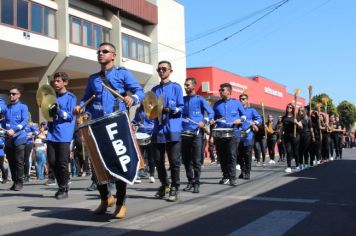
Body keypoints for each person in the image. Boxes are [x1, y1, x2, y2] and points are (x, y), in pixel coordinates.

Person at [73, 42, 144, 218]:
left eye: (105, 51)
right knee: (98, 165)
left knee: (120, 163)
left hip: (116, 122)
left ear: (113, 55)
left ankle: (120, 203)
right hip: (97, 125)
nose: (100, 54)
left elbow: (139, 91)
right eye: (99, 51)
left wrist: (132, 98)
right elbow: (86, 99)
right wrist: (80, 107)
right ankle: (105, 199)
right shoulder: (93, 79)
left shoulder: (122, 73)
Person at [151, 60, 184, 202]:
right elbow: (150, 110)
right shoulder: (154, 90)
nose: (161, 71)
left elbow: (181, 107)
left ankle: (175, 187)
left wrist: (172, 109)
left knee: (174, 161)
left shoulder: (176, 88)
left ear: (170, 71)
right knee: (158, 161)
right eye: (159, 69)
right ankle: (165, 184)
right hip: (158, 130)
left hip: (173, 129)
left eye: (164, 69)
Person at [46, 72, 77, 199]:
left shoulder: (71, 97)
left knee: (62, 163)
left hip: (64, 135)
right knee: (52, 162)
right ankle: (61, 185)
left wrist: (58, 110)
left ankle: (63, 188)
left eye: (58, 81)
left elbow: (70, 116)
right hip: (52, 134)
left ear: (65, 82)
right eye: (55, 81)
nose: (56, 83)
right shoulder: (52, 97)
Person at [181, 77, 214, 193]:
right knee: (186, 160)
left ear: (194, 86)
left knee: (196, 160)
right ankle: (190, 181)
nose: (185, 87)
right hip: (184, 134)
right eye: (185, 85)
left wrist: (204, 121)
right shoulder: (182, 99)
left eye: (187, 85)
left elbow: (211, 112)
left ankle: (196, 183)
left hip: (197, 134)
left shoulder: (200, 99)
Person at [212, 83, 246, 186]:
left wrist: (239, 120)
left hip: (233, 133)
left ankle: (232, 177)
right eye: (220, 90)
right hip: (220, 133)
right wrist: (212, 120)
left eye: (222, 90)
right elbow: (212, 117)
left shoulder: (237, 103)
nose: (220, 92)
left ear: (229, 91)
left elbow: (244, 115)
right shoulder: (217, 104)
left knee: (232, 155)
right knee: (222, 156)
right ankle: (225, 175)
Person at [0, 87, 29, 191]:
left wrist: (15, 130)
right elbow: (4, 122)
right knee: (11, 162)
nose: (11, 95)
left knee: (19, 161)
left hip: (19, 137)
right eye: (10, 94)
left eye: (13, 93)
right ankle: (15, 181)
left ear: (18, 95)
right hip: (8, 139)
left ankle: (20, 182)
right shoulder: (7, 107)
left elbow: (25, 121)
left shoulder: (23, 107)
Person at [237, 93, 261, 180]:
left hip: (248, 135)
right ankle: (242, 171)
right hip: (238, 135)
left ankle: (247, 172)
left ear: (247, 100)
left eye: (243, 99)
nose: (241, 100)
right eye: (240, 99)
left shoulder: (251, 110)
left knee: (247, 154)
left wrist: (254, 123)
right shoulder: (237, 110)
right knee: (239, 155)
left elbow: (259, 119)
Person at [132, 104, 155, 183]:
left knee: (150, 156)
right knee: (139, 157)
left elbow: (156, 121)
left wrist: (153, 127)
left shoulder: (153, 110)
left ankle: (151, 175)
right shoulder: (139, 110)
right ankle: (137, 174)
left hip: (150, 135)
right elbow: (135, 120)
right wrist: (133, 123)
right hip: (140, 134)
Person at [279, 103, 302, 173]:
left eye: (290, 107)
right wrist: (279, 137)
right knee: (288, 151)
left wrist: (297, 123)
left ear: (293, 109)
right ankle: (288, 166)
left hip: (295, 136)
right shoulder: (284, 118)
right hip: (287, 137)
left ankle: (297, 165)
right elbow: (281, 129)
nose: (289, 108)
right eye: (288, 107)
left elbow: (301, 126)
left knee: (295, 152)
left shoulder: (296, 117)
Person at [24, 113, 39, 182]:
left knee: (26, 159)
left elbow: (37, 132)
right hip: (19, 143)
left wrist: (31, 134)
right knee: (19, 160)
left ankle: (26, 176)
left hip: (28, 143)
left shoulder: (30, 125)